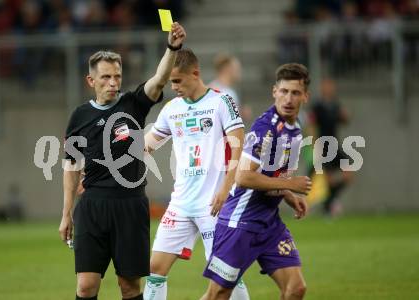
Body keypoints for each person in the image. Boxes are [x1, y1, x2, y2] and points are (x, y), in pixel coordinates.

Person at [58, 22, 186, 300]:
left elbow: (159, 80)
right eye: (105, 77)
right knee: (86, 286)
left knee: (129, 287)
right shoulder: (79, 117)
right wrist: (66, 212)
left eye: (117, 76)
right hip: (92, 207)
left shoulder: (132, 105)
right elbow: (71, 167)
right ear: (91, 81)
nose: (113, 82)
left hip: (130, 205)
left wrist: (172, 48)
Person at [143, 49, 250, 300]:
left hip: (214, 203)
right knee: (155, 268)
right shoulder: (172, 109)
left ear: (196, 73)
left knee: (225, 274)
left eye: (178, 80)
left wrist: (225, 189)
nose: (174, 87)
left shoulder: (222, 102)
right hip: (180, 204)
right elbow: (147, 144)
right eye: (171, 81)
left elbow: (238, 146)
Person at [201, 63, 313, 300]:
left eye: (295, 93)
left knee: (295, 289)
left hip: (269, 224)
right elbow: (243, 177)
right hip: (240, 222)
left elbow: (274, 175)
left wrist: (289, 196)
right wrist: (291, 185)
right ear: (274, 91)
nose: (288, 98)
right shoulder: (265, 129)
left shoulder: (295, 129)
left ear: (305, 96)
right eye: (283, 91)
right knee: (218, 295)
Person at [308, 78, 353, 216]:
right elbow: (311, 125)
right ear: (322, 88)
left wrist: (345, 116)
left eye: (331, 85)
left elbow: (345, 120)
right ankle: (328, 206)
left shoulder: (335, 105)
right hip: (323, 146)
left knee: (348, 175)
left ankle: (329, 202)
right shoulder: (317, 106)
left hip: (335, 145)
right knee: (328, 179)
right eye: (326, 85)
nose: (329, 88)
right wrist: (314, 144)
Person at [209, 53, 252, 122]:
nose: (239, 73)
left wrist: (240, 113)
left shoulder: (228, 90)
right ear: (227, 69)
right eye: (237, 69)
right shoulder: (217, 91)